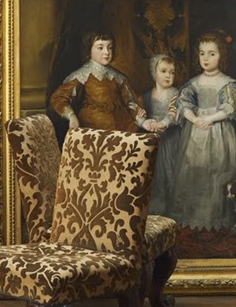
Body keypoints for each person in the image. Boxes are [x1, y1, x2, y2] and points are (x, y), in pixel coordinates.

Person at [170, 31, 236, 230]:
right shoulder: (193, 83)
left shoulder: (227, 83)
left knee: (218, 170)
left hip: (219, 133)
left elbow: (230, 107)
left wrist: (210, 118)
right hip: (195, 135)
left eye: (212, 54)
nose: (205, 58)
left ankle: (216, 217)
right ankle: (195, 216)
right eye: (202, 53)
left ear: (221, 55)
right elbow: (183, 104)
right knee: (194, 169)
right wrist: (195, 119)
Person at [49, 29, 152, 133]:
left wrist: (142, 122)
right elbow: (58, 98)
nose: (106, 52)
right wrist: (71, 116)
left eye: (110, 47)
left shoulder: (118, 77)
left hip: (123, 130)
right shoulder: (81, 76)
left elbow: (130, 103)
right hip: (95, 132)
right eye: (100, 48)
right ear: (89, 49)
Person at [141, 54, 180, 215]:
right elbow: (139, 111)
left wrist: (162, 124)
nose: (168, 75)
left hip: (170, 141)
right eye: (163, 71)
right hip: (153, 139)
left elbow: (173, 114)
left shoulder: (175, 94)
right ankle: (155, 210)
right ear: (153, 73)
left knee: (171, 173)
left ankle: (172, 211)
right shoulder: (147, 95)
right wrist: (143, 119)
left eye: (172, 72)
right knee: (154, 173)